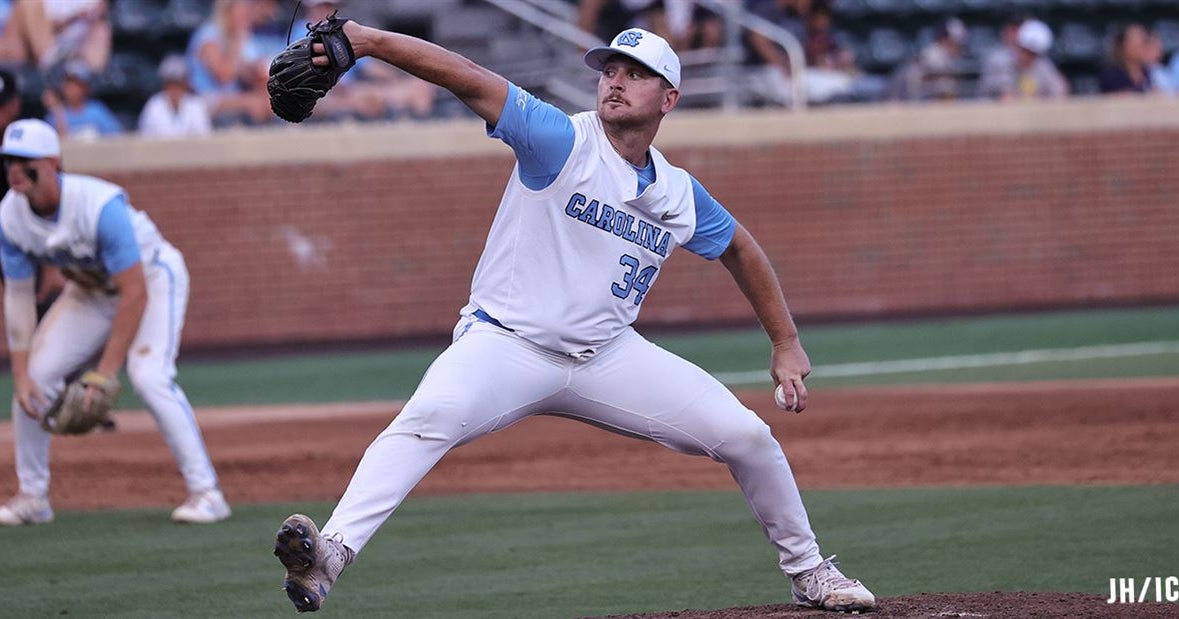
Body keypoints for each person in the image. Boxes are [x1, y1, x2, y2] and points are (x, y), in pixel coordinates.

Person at [270, 21, 876, 614]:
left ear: (668, 99)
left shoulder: (677, 192)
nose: (615, 80)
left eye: (636, 74)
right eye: (610, 69)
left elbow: (741, 247)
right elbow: (466, 76)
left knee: (749, 437)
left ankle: (809, 573)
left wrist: (785, 341)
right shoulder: (558, 138)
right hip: (506, 345)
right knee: (427, 418)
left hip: (608, 355)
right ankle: (332, 554)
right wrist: (367, 40)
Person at [0, 119, 230, 526]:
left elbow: (135, 290)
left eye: (25, 162)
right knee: (34, 380)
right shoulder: (10, 216)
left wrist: (104, 374)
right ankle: (32, 497)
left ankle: (207, 493)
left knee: (148, 375)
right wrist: (19, 372)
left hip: (153, 278)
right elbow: (18, 295)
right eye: (9, 161)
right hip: (90, 290)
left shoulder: (98, 206)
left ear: (52, 163)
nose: (15, 170)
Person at [0, 0, 110, 72]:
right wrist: (75, 17)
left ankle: (91, 76)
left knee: (101, 29)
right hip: (34, 48)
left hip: (72, 43)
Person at [980, 19, 1067, 101]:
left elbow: (1059, 91)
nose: (1028, 56)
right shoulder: (999, 61)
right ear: (1019, 45)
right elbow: (1004, 96)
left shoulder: (1042, 64)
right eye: (1026, 51)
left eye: (1034, 54)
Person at [42, 58, 122, 140]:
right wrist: (57, 111)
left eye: (77, 84)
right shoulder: (55, 114)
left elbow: (116, 135)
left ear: (86, 87)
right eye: (69, 83)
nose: (72, 88)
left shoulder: (96, 111)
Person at [137, 54, 213, 138]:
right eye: (171, 84)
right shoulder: (153, 106)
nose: (175, 89)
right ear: (164, 85)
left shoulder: (195, 105)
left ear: (185, 84)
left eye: (178, 84)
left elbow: (204, 137)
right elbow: (144, 138)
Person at [1099, 23, 1154, 94]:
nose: (1141, 48)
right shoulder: (1111, 74)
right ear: (1122, 45)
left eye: (1144, 43)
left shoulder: (1147, 71)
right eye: (1136, 44)